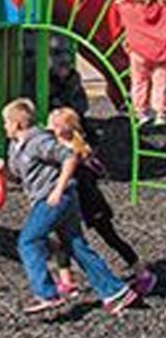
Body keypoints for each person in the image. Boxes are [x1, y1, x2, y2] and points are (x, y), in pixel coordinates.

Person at [0, 98, 137, 315]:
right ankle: (116, 291)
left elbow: (69, 157)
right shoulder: (15, 147)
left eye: (6, 122)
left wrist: (58, 189)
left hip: (56, 198)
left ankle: (47, 293)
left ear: (17, 124)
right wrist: (3, 173)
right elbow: (19, 176)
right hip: (51, 197)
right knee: (77, 246)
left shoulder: (38, 141)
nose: (4, 127)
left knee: (28, 241)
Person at [47, 107, 156, 297]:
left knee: (109, 237)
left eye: (56, 125)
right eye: (52, 124)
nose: (52, 128)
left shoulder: (76, 150)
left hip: (90, 202)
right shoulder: (58, 146)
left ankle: (142, 272)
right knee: (60, 238)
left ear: (67, 127)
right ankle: (67, 281)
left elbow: (75, 174)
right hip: (75, 201)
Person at [112, 0, 166, 125]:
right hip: (162, 53)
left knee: (139, 82)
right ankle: (161, 113)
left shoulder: (129, 9)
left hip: (138, 53)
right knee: (160, 83)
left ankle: (142, 113)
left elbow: (118, 2)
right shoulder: (163, 9)